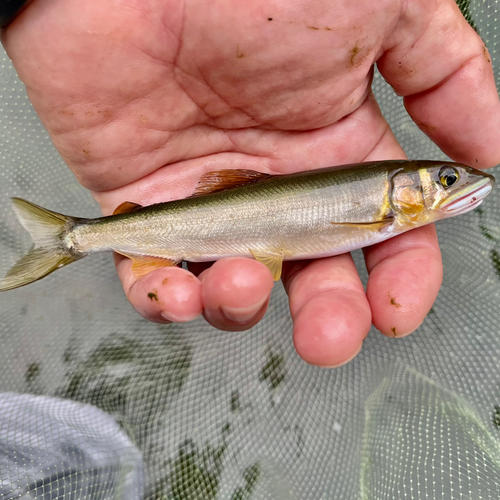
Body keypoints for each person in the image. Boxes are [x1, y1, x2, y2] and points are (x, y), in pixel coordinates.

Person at [2, 0, 500, 368]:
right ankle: (72, 237)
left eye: (446, 179)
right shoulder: (382, 212)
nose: (453, 184)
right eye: (445, 179)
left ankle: (72, 237)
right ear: (402, 190)